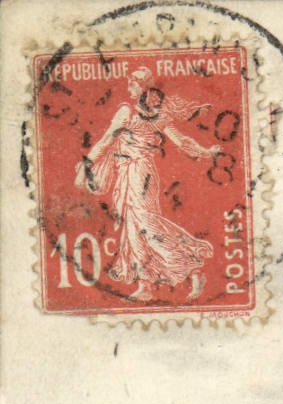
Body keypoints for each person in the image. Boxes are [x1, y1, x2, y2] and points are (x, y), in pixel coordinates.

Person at [75, 68, 223, 302]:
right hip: (130, 173)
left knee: (146, 225)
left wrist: (87, 164)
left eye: (133, 84)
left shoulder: (132, 112)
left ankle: (193, 267)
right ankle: (145, 285)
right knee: (133, 228)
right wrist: (206, 152)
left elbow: (107, 140)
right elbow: (182, 142)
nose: (129, 88)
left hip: (138, 173)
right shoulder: (156, 114)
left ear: (143, 88)